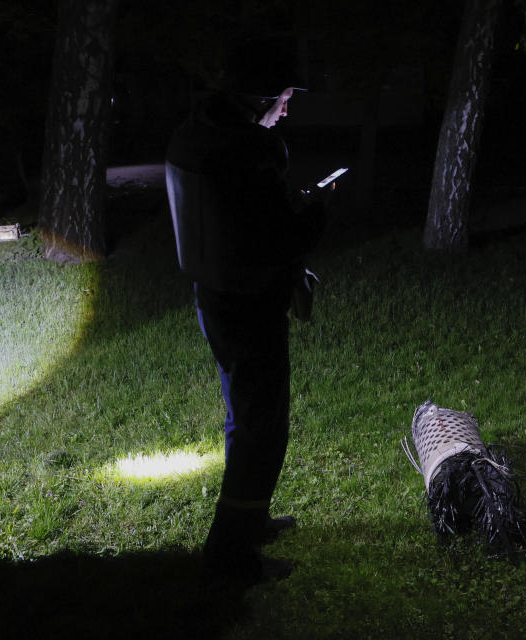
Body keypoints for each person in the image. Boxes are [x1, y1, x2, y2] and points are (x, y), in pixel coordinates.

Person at [165, 85, 330, 588]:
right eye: (281, 97)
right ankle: (231, 557)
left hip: (214, 299)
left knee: (244, 416)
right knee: (263, 430)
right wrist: (317, 210)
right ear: (254, 98)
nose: (286, 109)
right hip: (252, 305)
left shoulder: (193, 138)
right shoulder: (251, 155)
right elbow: (280, 238)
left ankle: (250, 521)